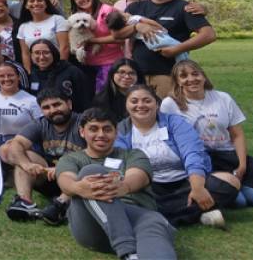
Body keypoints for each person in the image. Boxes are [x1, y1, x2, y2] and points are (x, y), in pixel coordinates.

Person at [56, 108, 177, 260]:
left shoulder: (133, 155)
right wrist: (77, 188)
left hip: (137, 219)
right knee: (91, 171)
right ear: (82, 132)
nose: (101, 135)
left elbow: (138, 176)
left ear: (116, 132)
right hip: (93, 227)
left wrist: (123, 187)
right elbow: (65, 179)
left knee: (154, 222)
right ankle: (127, 250)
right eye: (93, 129)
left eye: (107, 129)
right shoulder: (71, 159)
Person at [161, 60, 253, 207]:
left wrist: (242, 165)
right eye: (184, 76)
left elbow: (237, 135)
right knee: (240, 202)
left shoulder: (223, 98)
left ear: (203, 76)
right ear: (177, 81)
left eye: (195, 74)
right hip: (201, 159)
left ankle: (236, 182)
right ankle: (228, 186)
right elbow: (168, 140)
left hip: (228, 156)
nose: (191, 79)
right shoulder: (170, 104)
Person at [115, 84, 239, 227]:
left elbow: (193, 152)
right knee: (127, 197)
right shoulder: (120, 131)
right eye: (134, 101)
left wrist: (197, 187)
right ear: (126, 105)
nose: (141, 105)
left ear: (157, 104)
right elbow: (121, 164)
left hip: (185, 181)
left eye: (147, 100)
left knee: (230, 181)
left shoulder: (175, 122)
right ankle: (197, 212)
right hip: (149, 187)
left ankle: (158, 217)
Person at [115, 0, 215, 98]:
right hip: (137, 74)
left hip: (169, 74)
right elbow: (117, 35)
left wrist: (176, 49)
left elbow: (208, 34)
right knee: (140, 114)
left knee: (167, 114)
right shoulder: (135, 7)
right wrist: (136, 27)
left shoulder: (184, 8)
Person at [0, 88, 85, 225]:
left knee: (87, 167)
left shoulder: (84, 123)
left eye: (57, 105)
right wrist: (26, 164)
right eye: (46, 107)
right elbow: (17, 144)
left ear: (69, 104)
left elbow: (96, 154)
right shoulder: (40, 123)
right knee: (23, 156)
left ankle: (60, 206)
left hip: (75, 177)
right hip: (49, 177)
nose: (52, 110)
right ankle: (24, 203)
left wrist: (61, 168)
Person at [70, 0, 124, 91]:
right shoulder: (79, 15)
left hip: (109, 63)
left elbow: (120, 38)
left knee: (106, 95)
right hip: (88, 64)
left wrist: (91, 41)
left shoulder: (107, 10)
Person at [27, 39, 92, 112]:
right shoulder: (30, 76)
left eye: (46, 52)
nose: (42, 57)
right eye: (37, 53)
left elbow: (86, 99)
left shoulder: (71, 71)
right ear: (31, 56)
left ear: (54, 53)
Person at [17, 0, 70, 69]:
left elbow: (64, 47)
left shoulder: (57, 20)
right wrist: (28, 73)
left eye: (39, 0)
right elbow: (25, 54)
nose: (36, 3)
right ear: (26, 6)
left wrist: (61, 69)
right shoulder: (23, 27)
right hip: (36, 70)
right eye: (31, 1)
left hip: (57, 67)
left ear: (46, 4)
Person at [92, 58, 144, 123]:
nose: (127, 76)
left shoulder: (146, 97)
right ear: (112, 74)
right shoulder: (101, 100)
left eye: (131, 73)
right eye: (122, 72)